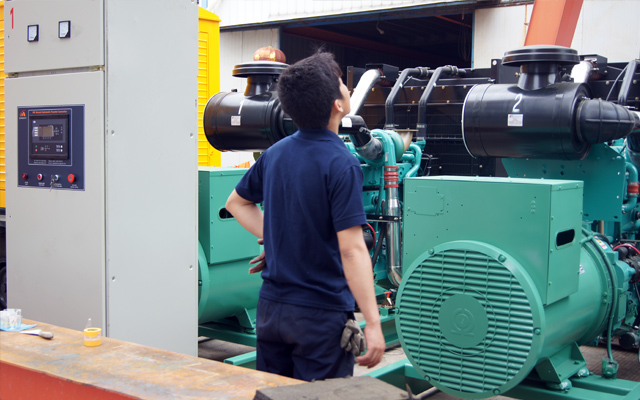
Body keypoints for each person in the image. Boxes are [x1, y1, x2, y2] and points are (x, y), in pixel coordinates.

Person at [225, 51, 385, 381]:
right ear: (337, 104)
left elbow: (236, 203)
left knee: (275, 393)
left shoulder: (275, 153)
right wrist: (373, 322)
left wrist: (277, 240)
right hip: (320, 317)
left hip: (271, 311)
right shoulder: (342, 163)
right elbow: (352, 250)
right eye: (342, 83)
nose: (347, 88)